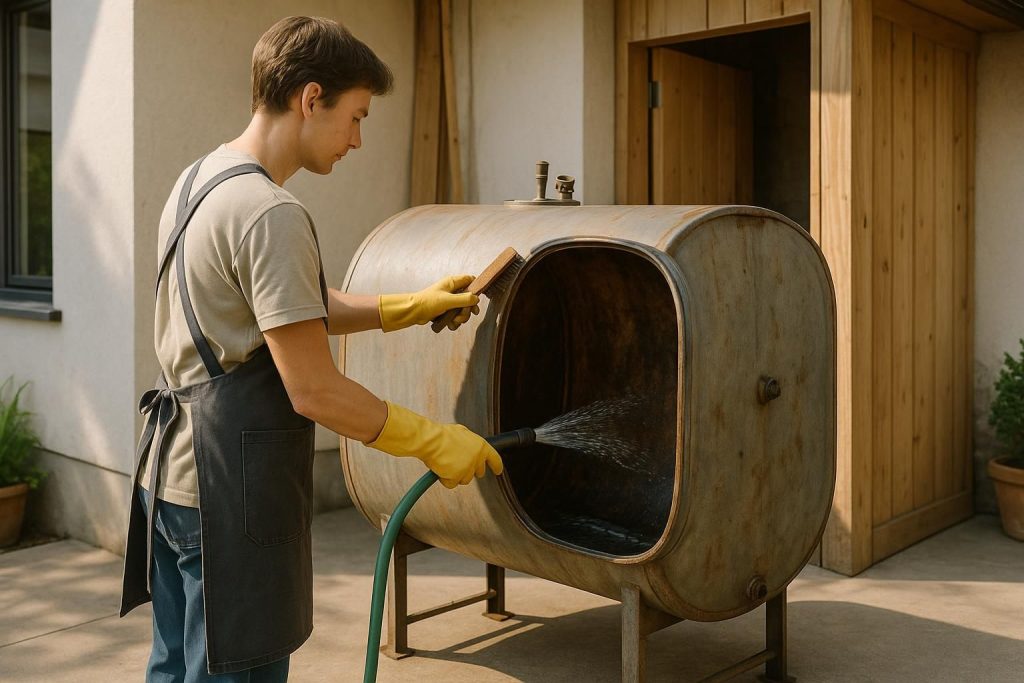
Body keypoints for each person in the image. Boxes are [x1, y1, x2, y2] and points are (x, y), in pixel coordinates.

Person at [119, 16, 502, 682]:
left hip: (171, 483)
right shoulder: (271, 213)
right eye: (354, 117)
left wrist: (408, 307)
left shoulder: (200, 181)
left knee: (175, 670)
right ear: (309, 98)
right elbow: (315, 389)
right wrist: (434, 439)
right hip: (229, 498)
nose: (357, 140)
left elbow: (288, 306)